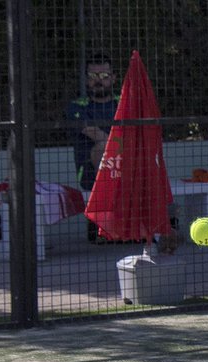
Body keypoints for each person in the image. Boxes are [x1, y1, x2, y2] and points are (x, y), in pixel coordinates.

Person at [66, 52, 119, 243]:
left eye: (104, 76)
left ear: (113, 78)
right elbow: (94, 133)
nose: (99, 81)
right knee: (102, 147)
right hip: (91, 175)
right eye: (93, 76)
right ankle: (102, 218)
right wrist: (122, 145)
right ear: (87, 80)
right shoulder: (78, 106)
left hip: (126, 166)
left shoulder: (123, 102)